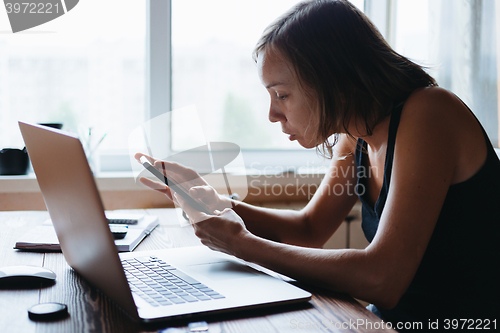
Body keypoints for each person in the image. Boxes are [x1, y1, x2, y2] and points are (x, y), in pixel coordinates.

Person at [136, 0, 499, 328]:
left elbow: (382, 279)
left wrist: (241, 244)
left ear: (333, 82)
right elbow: (308, 228)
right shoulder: (356, 132)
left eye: (282, 94)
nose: (272, 114)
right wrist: (214, 202)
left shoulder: (428, 113)